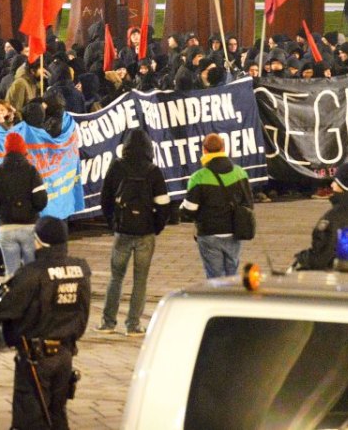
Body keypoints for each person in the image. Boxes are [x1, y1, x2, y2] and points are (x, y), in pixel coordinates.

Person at [0, 216, 90, 430]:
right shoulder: (81, 269)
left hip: (36, 356)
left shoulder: (32, 273)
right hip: (65, 353)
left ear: (39, 241)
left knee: (31, 418)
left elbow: (2, 309)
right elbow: (83, 311)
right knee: (57, 413)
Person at [97, 128, 170, 335]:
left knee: (115, 277)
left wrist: (113, 223)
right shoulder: (153, 171)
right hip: (145, 232)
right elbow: (163, 205)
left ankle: (108, 322)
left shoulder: (117, 167)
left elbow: (105, 199)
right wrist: (156, 226)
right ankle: (133, 324)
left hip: (123, 230)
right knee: (140, 279)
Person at [181, 132, 252, 279]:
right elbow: (249, 204)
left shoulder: (198, 177)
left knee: (215, 278)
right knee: (232, 275)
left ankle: (217, 301)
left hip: (209, 234)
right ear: (223, 148)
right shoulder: (240, 173)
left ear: (204, 150)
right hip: (234, 231)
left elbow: (190, 210)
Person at [292, 162, 348, 272]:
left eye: (335, 181)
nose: (332, 185)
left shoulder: (337, 215)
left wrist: (302, 258)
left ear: (343, 185)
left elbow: (322, 256)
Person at [0, 132, 48, 278]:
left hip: (6, 226)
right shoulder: (32, 171)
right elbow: (41, 200)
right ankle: (31, 299)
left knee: (11, 272)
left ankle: (13, 298)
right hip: (29, 226)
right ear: (23, 148)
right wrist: (31, 210)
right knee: (31, 271)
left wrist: (2, 210)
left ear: (5, 149)